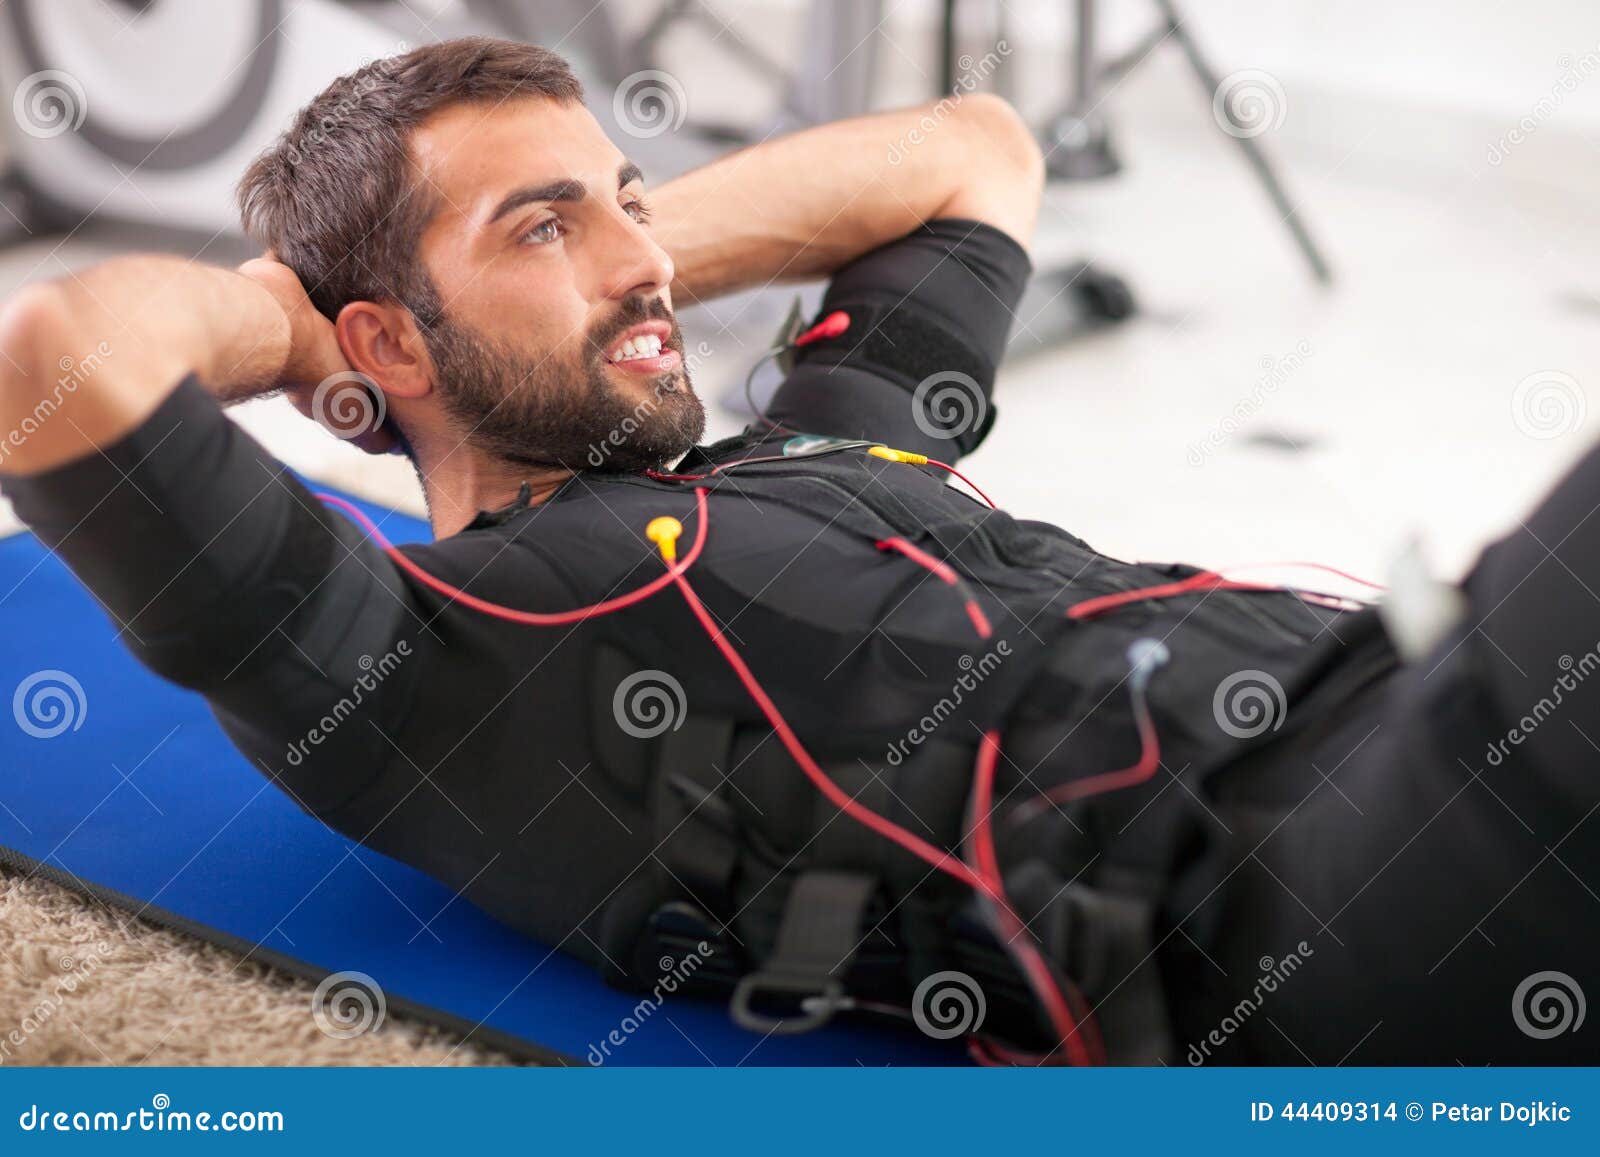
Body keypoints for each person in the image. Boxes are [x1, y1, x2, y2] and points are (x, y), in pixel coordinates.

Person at [0, 38, 1593, 1065]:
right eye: (543, 228)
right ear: (384, 347)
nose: (652, 270)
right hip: (1303, 888)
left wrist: (601, 255)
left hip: (1393, 681)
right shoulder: (427, 657)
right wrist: (291, 323)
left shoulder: (827, 437)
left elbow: (976, 150)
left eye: (631, 203)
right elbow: (57, 357)